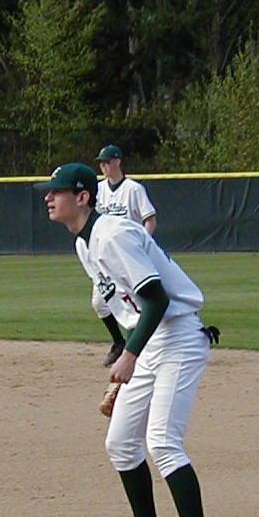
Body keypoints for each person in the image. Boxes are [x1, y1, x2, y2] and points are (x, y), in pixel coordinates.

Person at [36, 162, 220, 517]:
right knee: (120, 443)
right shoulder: (85, 243)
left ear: (82, 197)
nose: (48, 197)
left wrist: (129, 354)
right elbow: (121, 304)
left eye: (57, 191)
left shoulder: (113, 234)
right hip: (149, 340)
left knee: (163, 442)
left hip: (177, 338)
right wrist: (128, 347)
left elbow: (156, 299)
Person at [92, 145, 158, 365]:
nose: (103, 166)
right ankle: (118, 342)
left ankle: (145, 346)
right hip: (105, 258)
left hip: (129, 256)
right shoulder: (98, 189)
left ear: (118, 161)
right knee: (99, 303)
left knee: (139, 304)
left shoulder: (133, 189)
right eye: (101, 163)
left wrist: (144, 244)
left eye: (107, 162)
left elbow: (150, 219)